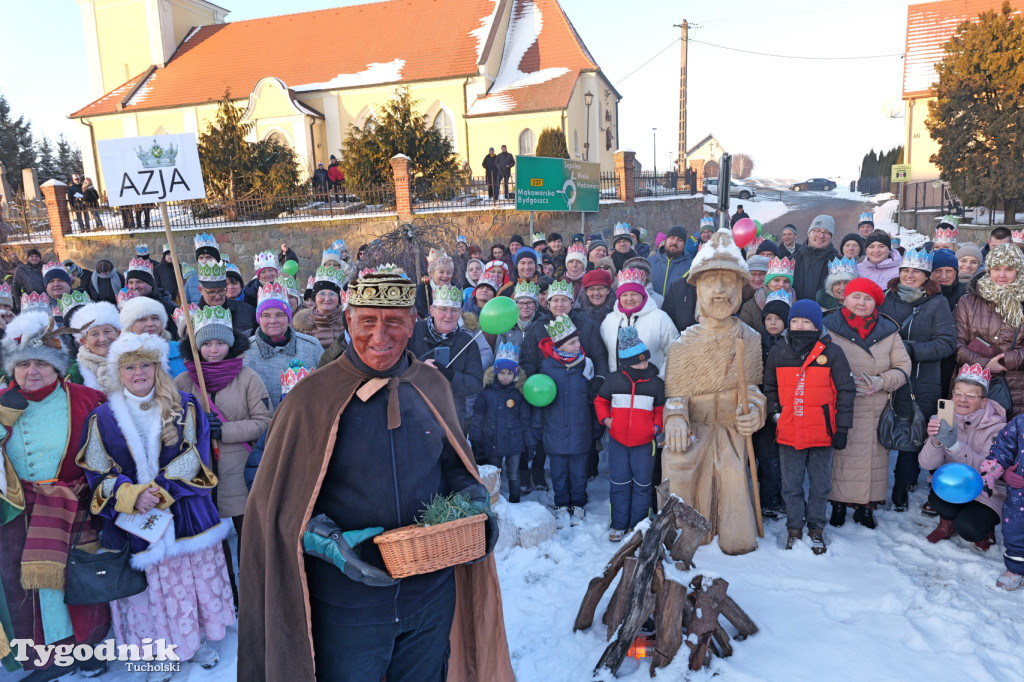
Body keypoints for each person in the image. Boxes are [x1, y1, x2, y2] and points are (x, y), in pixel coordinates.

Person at [237, 271, 511, 681]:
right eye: (367, 321)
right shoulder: (310, 399)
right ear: (348, 322)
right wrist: (330, 544)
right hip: (349, 607)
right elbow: (276, 506)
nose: (380, 336)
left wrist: (474, 501)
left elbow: (455, 465)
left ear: (413, 323)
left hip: (431, 597)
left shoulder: (432, 384)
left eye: (394, 321)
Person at [77, 333, 234, 681]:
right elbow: (95, 469)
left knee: (187, 585)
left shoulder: (186, 405)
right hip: (132, 523)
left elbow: (195, 457)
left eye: (145, 365)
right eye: (129, 367)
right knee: (145, 595)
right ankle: (157, 653)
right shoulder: (102, 418)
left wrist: (159, 491)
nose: (138, 373)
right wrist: (131, 496)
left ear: (157, 367)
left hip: (184, 517)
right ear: (118, 372)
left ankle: (193, 644)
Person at [0, 311, 111, 678]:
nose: (32, 371)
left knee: (80, 580)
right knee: (27, 590)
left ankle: (89, 647)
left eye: (42, 364)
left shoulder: (86, 398)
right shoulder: (1, 403)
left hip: (74, 508)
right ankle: (45, 656)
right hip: (19, 513)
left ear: (58, 367)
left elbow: (111, 449)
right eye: (24, 364)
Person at [661, 230, 767, 555]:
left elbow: (753, 389)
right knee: (677, 464)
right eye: (710, 282)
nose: (720, 290)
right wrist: (677, 417)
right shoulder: (683, 343)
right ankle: (682, 535)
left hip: (729, 430)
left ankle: (734, 537)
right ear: (697, 288)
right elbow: (674, 396)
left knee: (733, 474)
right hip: (695, 428)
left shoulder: (749, 338)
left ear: (741, 288)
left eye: (729, 282)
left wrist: (755, 411)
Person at [765, 300, 856, 555]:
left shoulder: (832, 352)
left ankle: (816, 528)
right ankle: (794, 529)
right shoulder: (779, 351)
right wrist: (776, 414)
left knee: (819, 485)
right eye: (795, 321)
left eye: (806, 322)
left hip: (822, 433)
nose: (799, 326)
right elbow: (770, 388)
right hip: (789, 431)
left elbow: (845, 391)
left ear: (817, 324)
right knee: (791, 486)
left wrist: (842, 428)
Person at [175, 306, 271, 535]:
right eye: (207, 344)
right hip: (200, 471)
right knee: (211, 541)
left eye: (220, 343)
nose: (214, 350)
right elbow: (171, 425)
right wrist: (197, 427)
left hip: (240, 471)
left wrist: (224, 431)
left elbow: (265, 422)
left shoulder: (247, 377)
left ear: (230, 344)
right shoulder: (183, 382)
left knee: (248, 534)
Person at [823, 277, 911, 528]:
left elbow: (904, 367)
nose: (861, 303)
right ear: (845, 298)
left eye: (868, 298)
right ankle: (837, 504)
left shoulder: (889, 330)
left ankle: (867, 507)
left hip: (876, 405)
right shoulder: (828, 325)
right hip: (840, 404)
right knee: (840, 456)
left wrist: (881, 381)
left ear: (876, 302)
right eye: (856, 296)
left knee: (874, 459)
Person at [919, 363, 1006, 551]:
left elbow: (987, 468)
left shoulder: (997, 427)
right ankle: (947, 521)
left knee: (969, 528)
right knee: (942, 502)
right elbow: (926, 463)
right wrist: (935, 442)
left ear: (983, 401)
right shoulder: (943, 418)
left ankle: (984, 529)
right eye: (957, 393)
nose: (962, 399)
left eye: (971, 395)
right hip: (952, 484)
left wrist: (954, 445)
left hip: (986, 491)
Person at [595, 326, 665, 541]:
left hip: (644, 443)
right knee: (619, 484)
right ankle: (617, 524)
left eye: (645, 360)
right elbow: (601, 401)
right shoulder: (614, 380)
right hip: (618, 442)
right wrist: (607, 420)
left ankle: (638, 526)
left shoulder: (655, 383)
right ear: (626, 363)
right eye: (638, 362)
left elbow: (661, 410)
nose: (643, 365)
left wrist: (655, 428)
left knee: (643, 485)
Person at [534, 314, 595, 528]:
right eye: (572, 342)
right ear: (560, 345)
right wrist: (538, 426)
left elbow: (592, 398)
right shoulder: (548, 367)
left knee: (579, 471)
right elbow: (540, 398)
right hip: (555, 429)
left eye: (578, 340)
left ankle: (578, 503)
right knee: (558, 471)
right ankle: (561, 505)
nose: (578, 344)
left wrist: (594, 427)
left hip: (580, 429)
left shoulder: (585, 365)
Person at [955, 244, 1024, 417]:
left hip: (1016, 389)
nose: (1001, 275)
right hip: (971, 387)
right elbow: (956, 343)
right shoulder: (968, 301)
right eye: (996, 268)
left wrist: (1003, 362)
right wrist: (985, 364)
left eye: (1009, 269)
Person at [410, 284, 484, 433]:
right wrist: (418, 369)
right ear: (432, 310)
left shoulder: (467, 342)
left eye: (454, 310)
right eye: (443, 309)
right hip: (415, 413)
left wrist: (450, 376)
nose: (448, 316)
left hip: (452, 418)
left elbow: (475, 384)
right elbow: (395, 367)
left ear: (460, 313)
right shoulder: (413, 333)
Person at [243, 282, 324, 410]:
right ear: (259, 319)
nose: (273, 321)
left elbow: (325, 388)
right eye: (266, 315)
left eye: (280, 315)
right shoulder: (245, 352)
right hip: (264, 428)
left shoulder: (312, 347)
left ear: (288, 317)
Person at [470, 342, 534, 502]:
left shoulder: (519, 395)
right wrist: (476, 439)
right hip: (492, 441)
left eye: (509, 373)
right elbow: (478, 418)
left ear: (515, 374)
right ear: (496, 372)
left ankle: (515, 499)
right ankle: (494, 500)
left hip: (515, 443)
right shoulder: (486, 394)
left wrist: (529, 442)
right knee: (494, 472)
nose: (505, 376)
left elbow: (525, 420)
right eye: (502, 373)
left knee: (514, 473)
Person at [600, 268, 679, 379]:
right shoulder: (609, 321)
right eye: (624, 295)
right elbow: (605, 356)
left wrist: (661, 380)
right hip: (618, 389)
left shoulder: (660, 318)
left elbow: (675, 352)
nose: (629, 299)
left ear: (643, 294)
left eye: (634, 294)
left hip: (651, 388)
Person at [755, 290, 792, 519]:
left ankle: (780, 496)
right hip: (763, 406)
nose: (773, 323)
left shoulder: (792, 343)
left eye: (778, 319)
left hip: (786, 405)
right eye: (769, 318)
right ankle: (767, 498)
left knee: (782, 457)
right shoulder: (757, 342)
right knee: (767, 455)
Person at [68, 301, 122, 392]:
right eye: (94, 334)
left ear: (119, 334)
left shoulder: (136, 361)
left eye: (107, 331)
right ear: (83, 342)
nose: (103, 339)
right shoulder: (75, 373)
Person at [197, 260, 256, 336]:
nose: (218, 296)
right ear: (201, 290)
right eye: (211, 292)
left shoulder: (248, 311)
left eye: (221, 291)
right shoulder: (193, 318)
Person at [293, 267, 346, 349]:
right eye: (322, 293)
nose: (327, 298)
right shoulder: (301, 323)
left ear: (338, 297)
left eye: (332, 294)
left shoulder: (347, 321)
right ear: (315, 297)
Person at [793, 215, 838, 300]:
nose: (821, 235)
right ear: (809, 233)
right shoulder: (792, 260)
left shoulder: (836, 262)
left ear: (831, 237)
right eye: (817, 231)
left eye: (827, 232)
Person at [648, 225, 693, 297]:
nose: (675, 242)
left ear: (684, 245)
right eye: (672, 238)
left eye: (680, 240)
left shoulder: (691, 266)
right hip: (652, 307)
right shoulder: (649, 263)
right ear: (666, 240)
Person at [498, 280, 541, 349]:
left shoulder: (542, 323)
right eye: (521, 303)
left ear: (535, 305)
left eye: (529, 302)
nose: (525, 306)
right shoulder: (506, 323)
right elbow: (498, 351)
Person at [415, 250, 455, 318]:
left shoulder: (456, 287)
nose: (445, 276)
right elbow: (421, 314)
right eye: (441, 272)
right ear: (432, 273)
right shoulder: (422, 290)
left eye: (448, 273)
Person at [738, 255, 771, 331]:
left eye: (762, 274)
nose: (757, 279)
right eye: (753, 274)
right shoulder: (738, 296)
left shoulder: (775, 296)